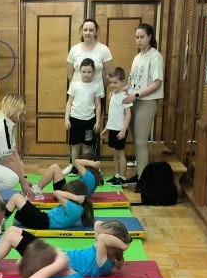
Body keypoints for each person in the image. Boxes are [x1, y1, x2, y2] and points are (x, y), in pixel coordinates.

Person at [0, 219, 132, 278]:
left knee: (11, 237)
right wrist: (121, 242)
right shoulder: (104, 251)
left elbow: (102, 236)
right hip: (51, 253)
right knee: (12, 230)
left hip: (50, 260)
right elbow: (98, 225)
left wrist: (124, 245)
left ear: (111, 244)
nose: (98, 239)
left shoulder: (103, 261)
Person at [123, 23, 164, 185]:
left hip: (146, 103)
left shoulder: (155, 56)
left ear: (150, 37)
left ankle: (143, 180)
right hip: (134, 102)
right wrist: (121, 90)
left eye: (142, 37)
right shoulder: (137, 57)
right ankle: (140, 175)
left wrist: (136, 95)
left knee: (141, 143)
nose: (139, 40)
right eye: (136, 37)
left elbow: (157, 83)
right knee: (137, 142)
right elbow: (133, 82)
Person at [0, 95, 36, 197]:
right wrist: (23, 184)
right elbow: (9, 160)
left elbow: (14, 154)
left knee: (18, 165)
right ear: (13, 108)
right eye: (22, 109)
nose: (24, 113)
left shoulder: (8, 123)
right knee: (12, 179)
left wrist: (24, 179)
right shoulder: (1, 125)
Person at [3, 179, 94, 232]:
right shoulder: (78, 208)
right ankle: (13, 218)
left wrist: (77, 198)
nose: (66, 195)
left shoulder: (74, 209)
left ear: (74, 195)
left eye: (67, 194)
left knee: (16, 197)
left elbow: (56, 192)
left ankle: (0, 223)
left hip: (42, 222)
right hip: (42, 219)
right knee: (21, 198)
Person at [65, 59, 103, 160]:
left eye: (89, 72)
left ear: (93, 72)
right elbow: (69, 103)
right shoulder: (74, 85)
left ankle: (86, 167)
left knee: (87, 146)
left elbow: (98, 105)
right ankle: (74, 166)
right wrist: (66, 119)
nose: (86, 74)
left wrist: (98, 122)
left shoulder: (96, 86)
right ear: (80, 71)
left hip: (89, 121)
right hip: (75, 120)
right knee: (75, 146)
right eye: (84, 71)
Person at [102, 68, 133, 185]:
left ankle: (123, 178)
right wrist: (106, 128)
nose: (112, 85)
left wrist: (123, 130)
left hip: (120, 130)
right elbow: (112, 115)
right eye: (111, 83)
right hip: (112, 129)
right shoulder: (112, 95)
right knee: (115, 154)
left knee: (120, 154)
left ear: (122, 82)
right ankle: (117, 175)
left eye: (115, 82)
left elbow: (128, 114)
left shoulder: (125, 96)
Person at [66, 19, 114, 92]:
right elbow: (70, 74)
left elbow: (109, 75)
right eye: (85, 30)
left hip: (96, 95)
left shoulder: (104, 50)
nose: (88, 33)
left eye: (91, 30)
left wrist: (99, 90)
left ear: (96, 32)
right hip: (77, 94)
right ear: (82, 31)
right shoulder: (74, 49)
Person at [35, 158, 104, 197]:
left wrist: (92, 163)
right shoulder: (94, 178)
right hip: (68, 194)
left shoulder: (89, 176)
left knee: (54, 167)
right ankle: (37, 187)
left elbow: (76, 162)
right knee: (56, 169)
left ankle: (36, 189)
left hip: (65, 196)